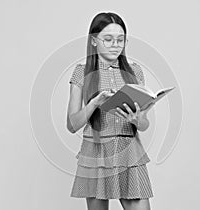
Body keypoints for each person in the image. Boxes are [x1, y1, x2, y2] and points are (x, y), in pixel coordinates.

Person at [67, 12, 156, 210]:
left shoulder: (135, 71)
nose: (115, 45)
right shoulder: (82, 72)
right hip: (96, 153)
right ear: (93, 41)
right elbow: (72, 125)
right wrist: (93, 104)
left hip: (130, 152)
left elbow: (144, 124)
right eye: (108, 39)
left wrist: (136, 119)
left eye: (120, 40)